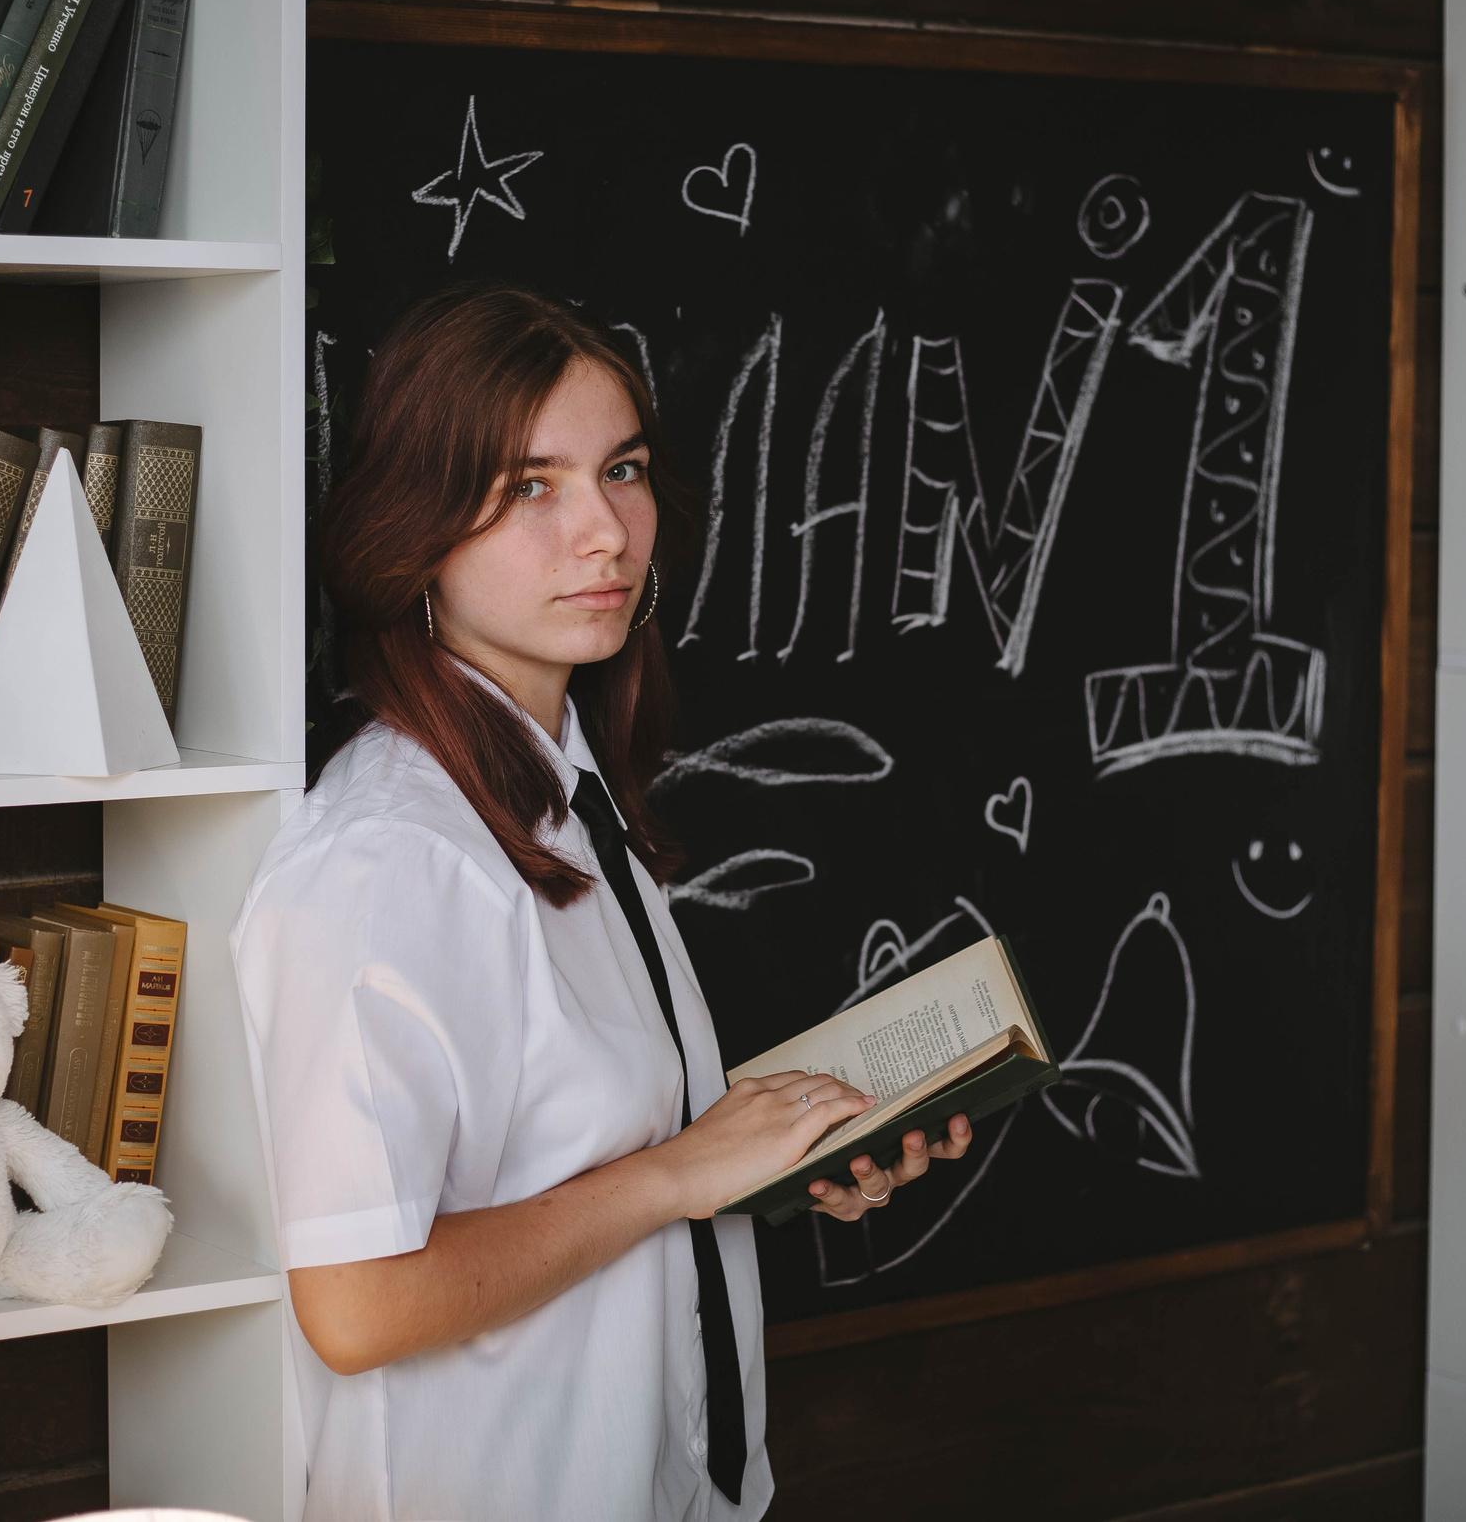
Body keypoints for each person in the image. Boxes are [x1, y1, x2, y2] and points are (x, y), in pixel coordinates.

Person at [230, 284, 974, 1521]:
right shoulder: (388, 861)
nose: (606, 535)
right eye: (531, 486)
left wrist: (779, 1155)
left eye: (620, 470)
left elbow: (586, 1156)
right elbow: (357, 1306)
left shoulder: (562, 789)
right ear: (415, 526)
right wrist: (676, 1176)